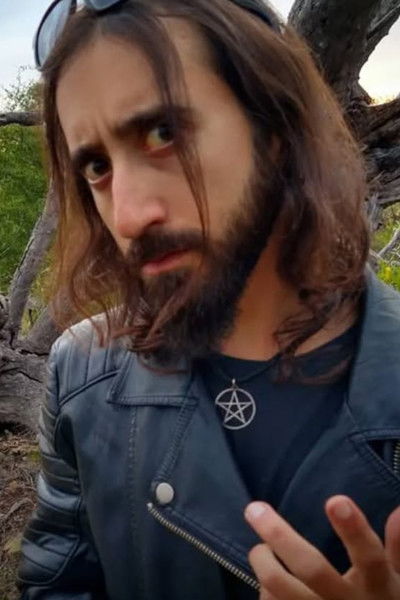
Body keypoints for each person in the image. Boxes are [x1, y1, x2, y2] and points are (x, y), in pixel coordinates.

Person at [18, 0, 400, 598]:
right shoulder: (82, 374)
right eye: (96, 167)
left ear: (275, 130)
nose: (128, 216)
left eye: (163, 134)